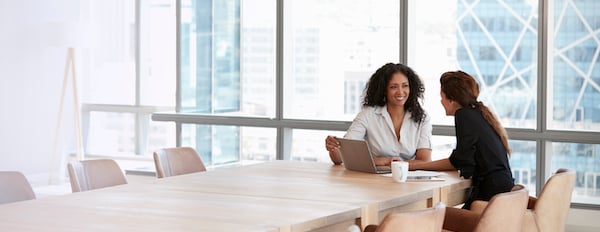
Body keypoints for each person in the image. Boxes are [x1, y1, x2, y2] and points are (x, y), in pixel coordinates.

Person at [409, 70, 514, 209]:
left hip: (490, 194)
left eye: (442, 97)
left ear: (451, 100)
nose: (441, 101)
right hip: (501, 191)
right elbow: (463, 159)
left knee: (437, 216)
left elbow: (460, 160)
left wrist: (415, 165)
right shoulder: (478, 113)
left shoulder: (464, 115)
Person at [325, 63, 432, 166]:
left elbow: (424, 160)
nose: (400, 92)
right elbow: (341, 158)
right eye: (393, 87)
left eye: (405, 86)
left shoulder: (422, 117)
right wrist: (333, 147)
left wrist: (390, 164)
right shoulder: (368, 115)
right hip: (375, 180)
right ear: (384, 90)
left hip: (410, 180)